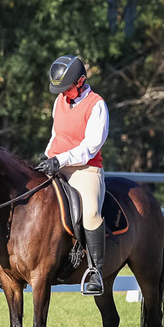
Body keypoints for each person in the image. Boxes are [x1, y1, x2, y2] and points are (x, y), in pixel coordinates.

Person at [35, 54, 109, 296]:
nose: (63, 94)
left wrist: (61, 159)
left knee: (90, 213)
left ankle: (96, 271)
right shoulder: (59, 101)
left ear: (81, 82)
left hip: (85, 168)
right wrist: (47, 157)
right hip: (56, 164)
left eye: (67, 88)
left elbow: (90, 147)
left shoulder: (96, 105)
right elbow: (56, 135)